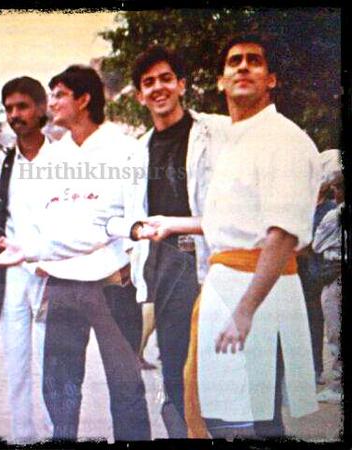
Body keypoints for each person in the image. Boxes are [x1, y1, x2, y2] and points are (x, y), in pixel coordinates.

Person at [143, 34, 321, 439]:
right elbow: (228, 223)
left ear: (271, 79)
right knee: (227, 417)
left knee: (254, 421)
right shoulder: (234, 141)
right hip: (225, 287)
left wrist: (245, 310)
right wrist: (171, 223)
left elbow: (282, 234)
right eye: (234, 61)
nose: (243, 66)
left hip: (259, 292)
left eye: (254, 61)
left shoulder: (283, 138)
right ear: (221, 81)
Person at [0, 66, 150, 441]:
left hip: (112, 284)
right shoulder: (55, 155)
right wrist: (40, 260)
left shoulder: (125, 149)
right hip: (61, 285)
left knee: (125, 387)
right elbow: (41, 219)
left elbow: (125, 220)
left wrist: (129, 269)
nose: (52, 103)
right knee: (59, 391)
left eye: (59, 95)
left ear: (84, 99)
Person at [105, 45, 229, 437]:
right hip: (165, 266)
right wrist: (135, 231)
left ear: (181, 85)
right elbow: (113, 216)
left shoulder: (216, 133)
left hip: (214, 260)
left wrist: (176, 225)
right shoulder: (137, 151)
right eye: (148, 83)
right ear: (140, 95)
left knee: (220, 370)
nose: (158, 88)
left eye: (165, 79)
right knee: (175, 367)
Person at [0, 77, 53, 442]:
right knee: (17, 362)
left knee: (51, 363)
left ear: (41, 108)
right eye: (9, 108)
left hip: (51, 271)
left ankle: (56, 433)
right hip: (10, 275)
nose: (15, 115)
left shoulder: (64, 158)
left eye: (22, 106)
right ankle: (22, 435)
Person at [297, 150, 338, 384]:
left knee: (318, 321)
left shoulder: (331, 209)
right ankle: (304, 369)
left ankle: (316, 369)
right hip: (300, 271)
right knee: (300, 321)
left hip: (320, 273)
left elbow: (316, 243)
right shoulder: (301, 206)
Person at [313, 149, 344, 404]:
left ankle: (338, 385)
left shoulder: (333, 216)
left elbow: (316, 244)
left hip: (334, 276)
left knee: (335, 333)